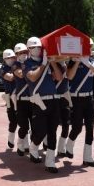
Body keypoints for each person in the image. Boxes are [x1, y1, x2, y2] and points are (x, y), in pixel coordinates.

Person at [23, 37, 63, 173]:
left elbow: (58, 78)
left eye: (39, 47)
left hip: (53, 100)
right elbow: (33, 77)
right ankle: (34, 147)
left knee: (52, 131)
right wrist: (44, 64)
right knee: (40, 131)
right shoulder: (26, 63)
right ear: (29, 49)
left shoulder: (46, 61)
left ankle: (50, 161)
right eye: (34, 47)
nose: (37, 50)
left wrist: (51, 62)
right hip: (39, 101)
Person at [66, 41, 94, 167]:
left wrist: (87, 63)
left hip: (89, 98)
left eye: (91, 47)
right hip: (76, 98)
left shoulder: (92, 62)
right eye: (87, 47)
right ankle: (70, 143)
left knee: (90, 127)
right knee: (77, 127)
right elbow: (69, 77)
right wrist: (78, 61)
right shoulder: (72, 61)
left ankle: (87, 157)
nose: (90, 49)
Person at [13, 43, 32, 156]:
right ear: (16, 55)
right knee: (24, 126)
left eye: (25, 52)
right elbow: (20, 75)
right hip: (21, 100)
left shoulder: (30, 63)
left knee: (35, 126)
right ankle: (20, 145)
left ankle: (30, 146)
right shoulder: (15, 65)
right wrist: (32, 71)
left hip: (33, 99)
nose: (23, 54)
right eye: (20, 53)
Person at [53, 60, 72, 158]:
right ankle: (48, 144)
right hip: (54, 98)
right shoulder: (52, 65)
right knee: (53, 124)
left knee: (66, 124)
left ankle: (61, 148)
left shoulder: (68, 64)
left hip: (65, 97)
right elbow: (55, 77)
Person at [1, 50, 18, 148]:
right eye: (8, 58)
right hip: (9, 96)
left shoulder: (17, 65)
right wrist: (21, 72)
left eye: (12, 57)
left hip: (19, 95)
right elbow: (10, 78)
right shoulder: (3, 69)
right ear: (4, 59)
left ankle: (24, 143)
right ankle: (10, 139)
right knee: (12, 119)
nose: (10, 59)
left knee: (22, 119)